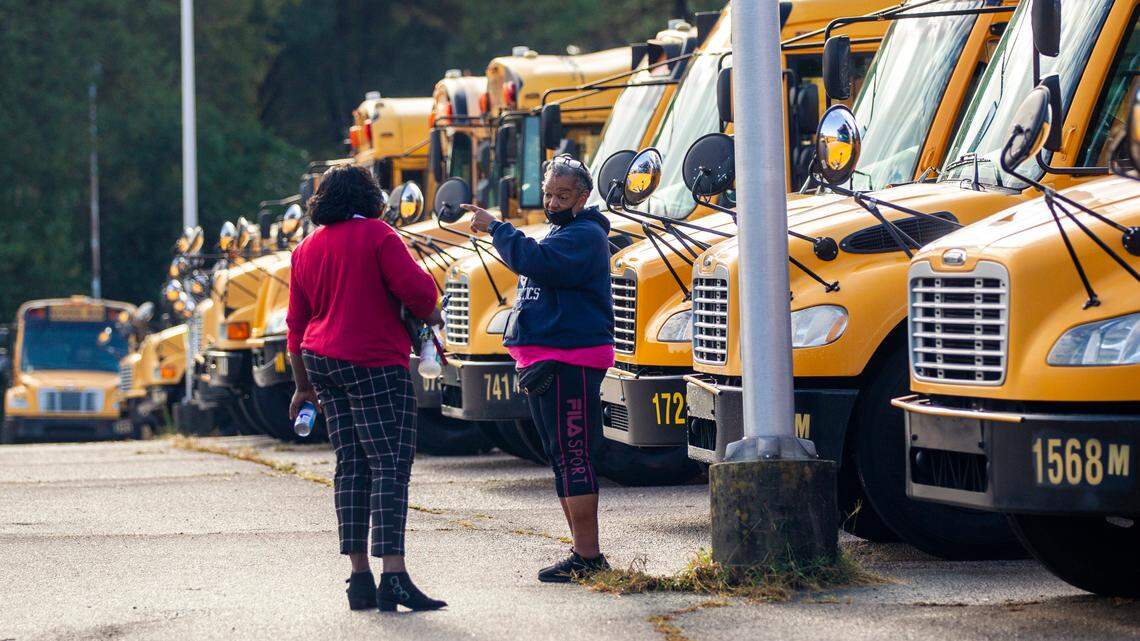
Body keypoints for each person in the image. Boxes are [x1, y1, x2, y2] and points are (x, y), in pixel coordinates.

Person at [286, 165, 446, 612]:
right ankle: (393, 575)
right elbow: (421, 295)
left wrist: (302, 387)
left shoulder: (306, 249)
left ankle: (359, 578)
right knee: (390, 464)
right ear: (370, 198)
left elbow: (295, 325)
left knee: (351, 465)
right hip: (373, 360)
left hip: (321, 363)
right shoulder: (378, 236)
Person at [464, 154, 614, 582]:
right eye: (548, 193)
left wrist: (496, 228)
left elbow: (536, 263)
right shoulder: (560, 230)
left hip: (571, 360)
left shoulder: (583, 235)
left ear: (583, 198)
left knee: (575, 455)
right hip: (548, 360)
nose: (552, 201)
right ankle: (580, 553)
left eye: (562, 195)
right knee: (561, 457)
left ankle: (589, 557)